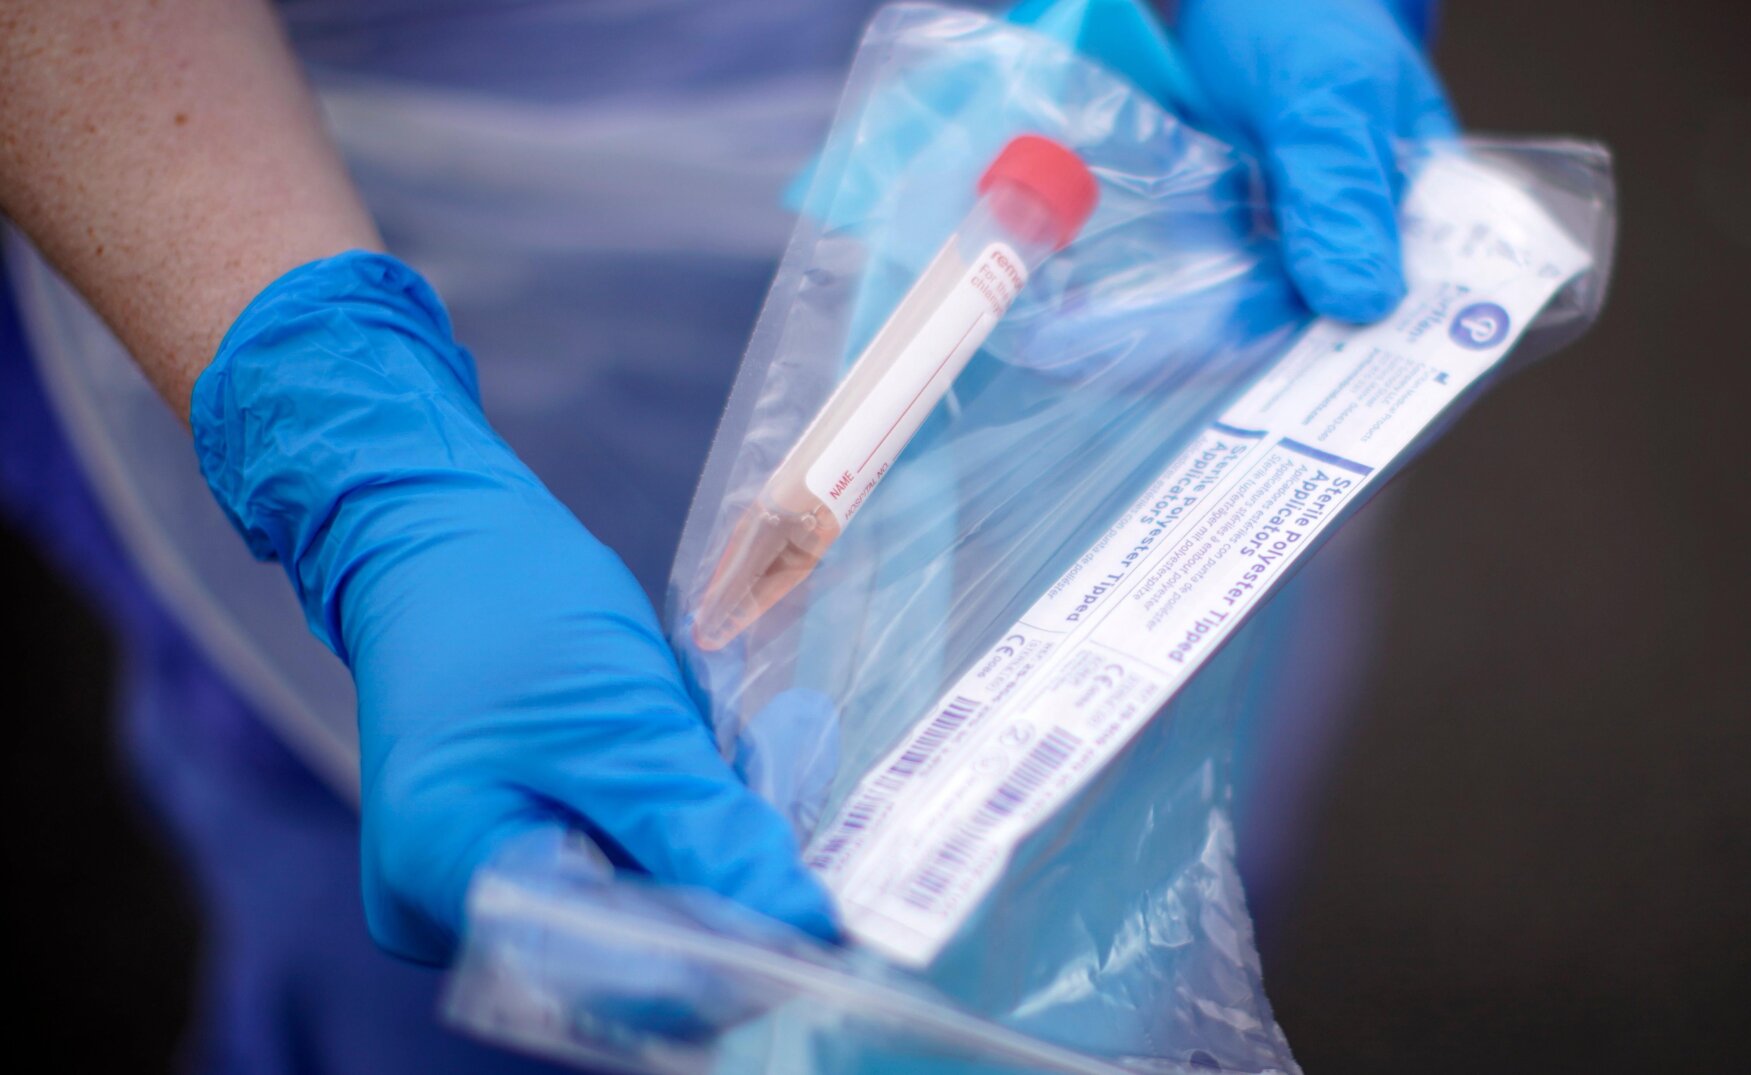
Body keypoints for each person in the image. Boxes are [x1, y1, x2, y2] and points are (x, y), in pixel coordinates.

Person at [0, 0, 1452, 1070]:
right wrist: (363, 455)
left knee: (1084, 835)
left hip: (1089, 211)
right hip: (359, 219)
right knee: (538, 949)